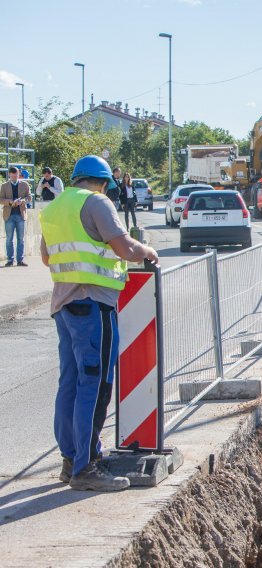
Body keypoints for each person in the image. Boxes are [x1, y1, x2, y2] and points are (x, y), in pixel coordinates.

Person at [39, 155, 159, 491]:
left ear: (76, 177)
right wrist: (146, 250)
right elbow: (124, 249)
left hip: (63, 303)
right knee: (95, 384)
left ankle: (70, 459)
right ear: (104, 182)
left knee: (71, 383)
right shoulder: (97, 202)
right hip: (93, 304)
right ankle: (86, 467)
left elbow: (47, 257)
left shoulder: (54, 207)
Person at [1, 166, 32, 267]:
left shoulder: (25, 184)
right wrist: (10, 202)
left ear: (19, 174)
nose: (14, 177)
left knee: (21, 239)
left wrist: (23, 201)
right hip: (9, 215)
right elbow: (0, 199)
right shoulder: (4, 186)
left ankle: (20, 260)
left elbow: (29, 197)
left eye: (16, 175)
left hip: (20, 214)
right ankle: (10, 260)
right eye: (13, 175)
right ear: (9, 175)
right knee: (9, 239)